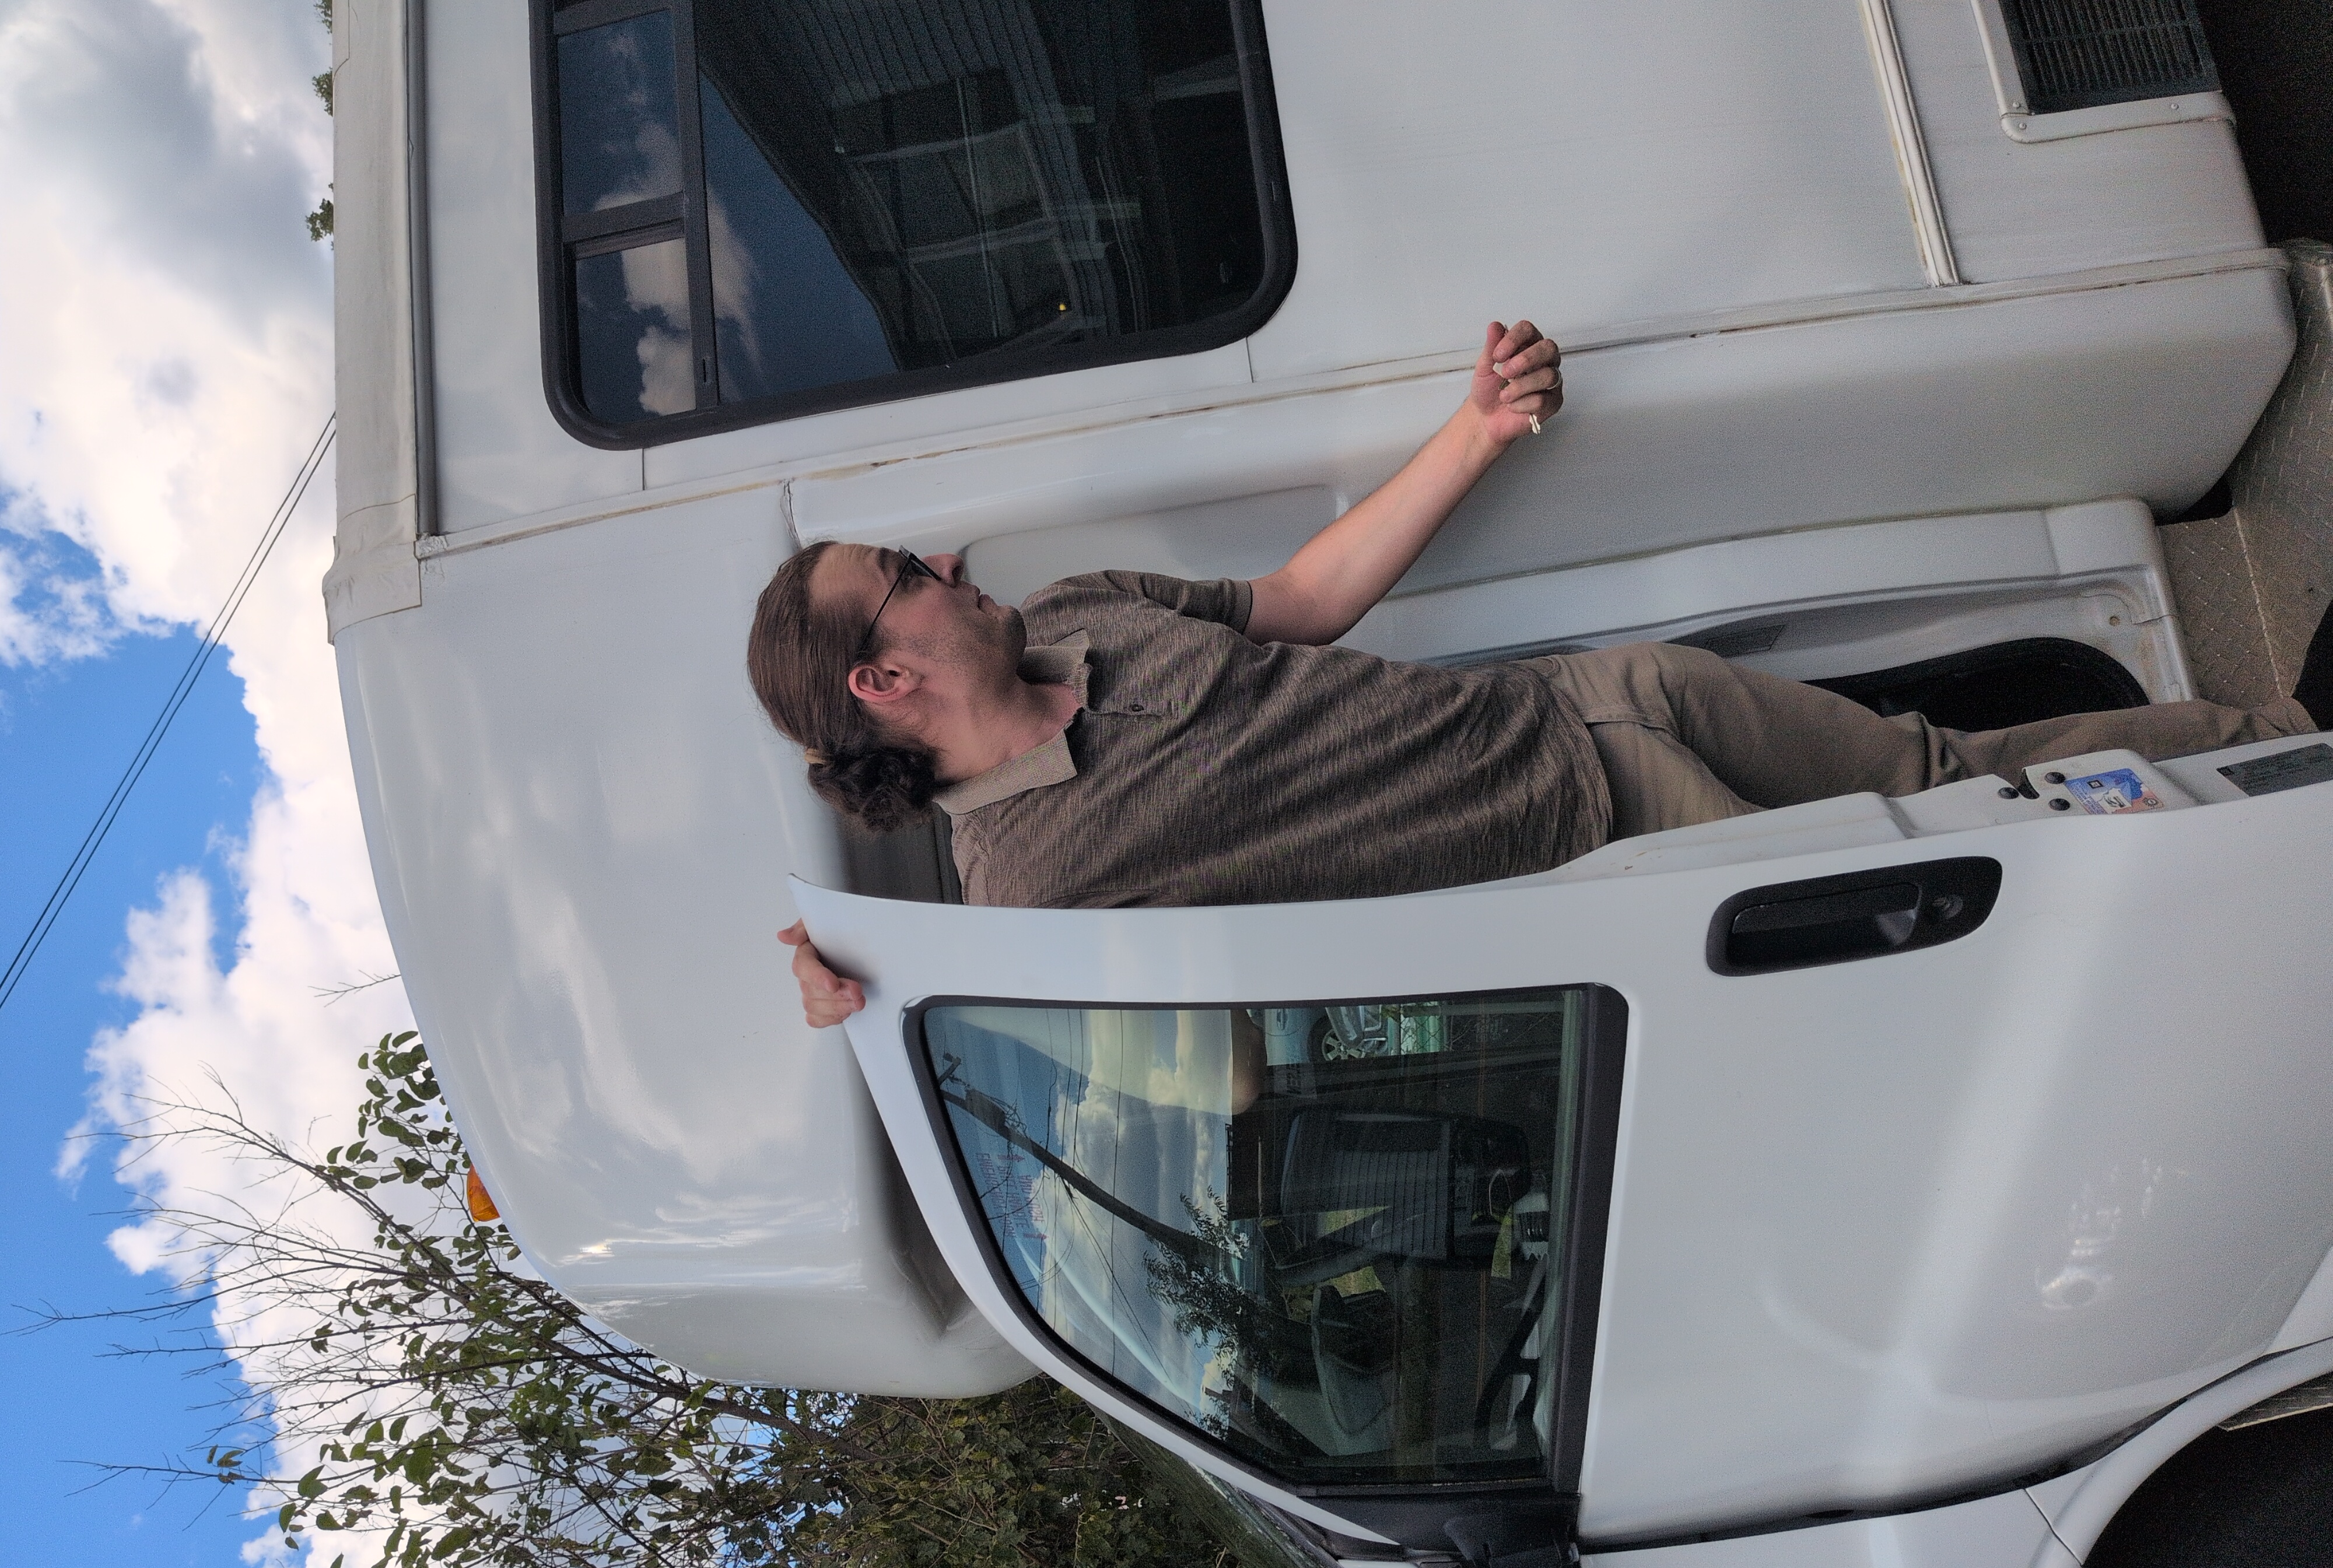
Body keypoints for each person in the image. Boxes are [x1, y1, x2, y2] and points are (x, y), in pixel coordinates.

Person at [746, 320, 2331, 1027]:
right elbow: (1039, 1037)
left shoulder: (1082, 607)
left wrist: (1478, 429)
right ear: (881, 681)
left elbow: (1298, 600)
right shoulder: (1029, 890)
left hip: (1608, 702)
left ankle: (2289, 739)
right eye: (904, 577)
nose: (940, 561)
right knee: (1976, 882)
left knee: (1943, 766)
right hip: (1626, 850)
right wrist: (852, 986)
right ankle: (2272, 896)